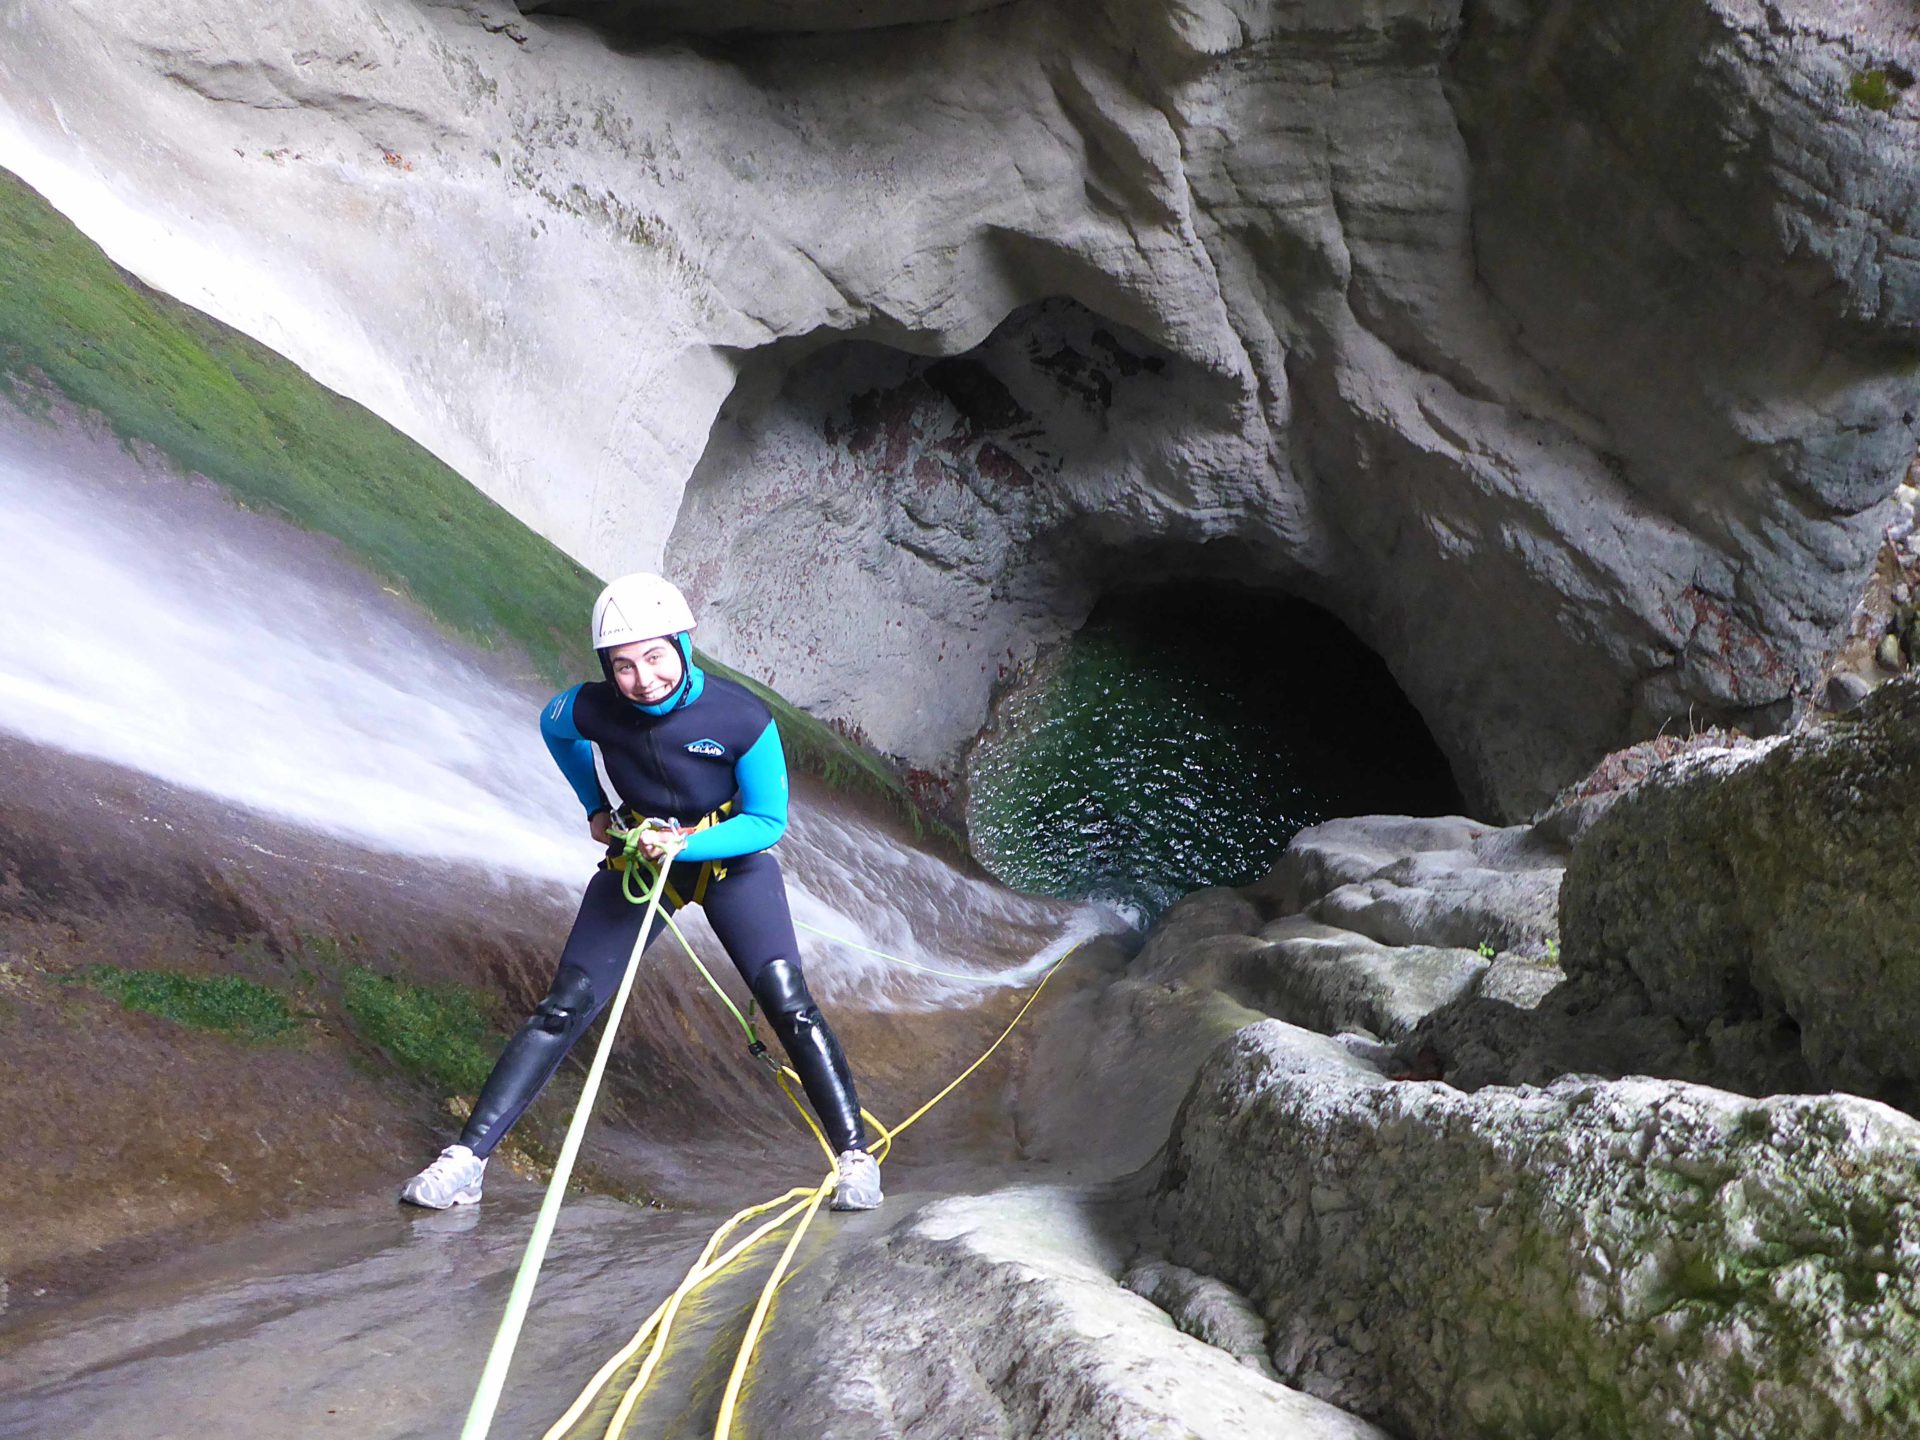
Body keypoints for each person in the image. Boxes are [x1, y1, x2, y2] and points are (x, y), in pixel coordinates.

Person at [399, 573, 882, 1212]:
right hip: (639, 858)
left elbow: (768, 821)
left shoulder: (740, 718)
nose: (643, 678)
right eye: (622, 666)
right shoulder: (593, 707)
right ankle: (467, 1161)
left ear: (683, 645)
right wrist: (595, 805)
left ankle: (855, 1159)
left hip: (728, 861)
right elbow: (555, 728)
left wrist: (684, 845)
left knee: (785, 998)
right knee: (566, 1004)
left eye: (655, 656)